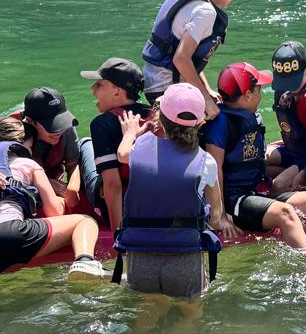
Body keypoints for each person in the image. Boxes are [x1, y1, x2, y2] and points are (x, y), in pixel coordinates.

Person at [0, 117, 110, 282]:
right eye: (31, 146)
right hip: (7, 234)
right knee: (85, 221)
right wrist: (63, 202)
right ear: (20, 144)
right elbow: (54, 212)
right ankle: (85, 262)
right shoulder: (27, 164)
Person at [204, 62, 306, 256]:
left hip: (253, 193)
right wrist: (219, 215)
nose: (261, 93)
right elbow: (213, 169)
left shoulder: (249, 116)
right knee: (285, 213)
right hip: (234, 200)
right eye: (258, 89)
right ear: (247, 95)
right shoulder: (220, 123)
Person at [114, 83, 224, 299]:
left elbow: (121, 154)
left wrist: (130, 133)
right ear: (200, 122)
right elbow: (217, 215)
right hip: (184, 257)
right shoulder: (206, 162)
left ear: (160, 118)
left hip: (140, 255)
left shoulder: (138, 149)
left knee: (148, 312)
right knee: (190, 313)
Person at [141, 0, 256, 116]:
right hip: (165, 88)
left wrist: (207, 90)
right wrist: (207, 102)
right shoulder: (206, 12)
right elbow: (181, 59)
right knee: (220, 118)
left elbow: (191, 57)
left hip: (152, 82)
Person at [79, 57, 152, 232]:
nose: (93, 89)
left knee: (84, 144)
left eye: (99, 85)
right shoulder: (154, 115)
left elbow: (113, 185)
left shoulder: (102, 124)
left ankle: (80, 205)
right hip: (154, 205)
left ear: (117, 93)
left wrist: (117, 233)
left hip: (126, 209)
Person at [14, 87, 95, 211]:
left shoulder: (66, 128)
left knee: (87, 145)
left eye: (61, 122)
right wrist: (47, 183)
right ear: (30, 121)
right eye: (51, 125)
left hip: (53, 175)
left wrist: (73, 188)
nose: (59, 131)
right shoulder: (13, 131)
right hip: (27, 181)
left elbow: (72, 164)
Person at [264, 40, 306, 192]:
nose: (288, 87)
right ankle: (290, 175)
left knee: (278, 185)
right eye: (284, 81)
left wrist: (305, 171)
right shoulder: (283, 90)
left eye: (292, 81)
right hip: (294, 149)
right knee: (257, 160)